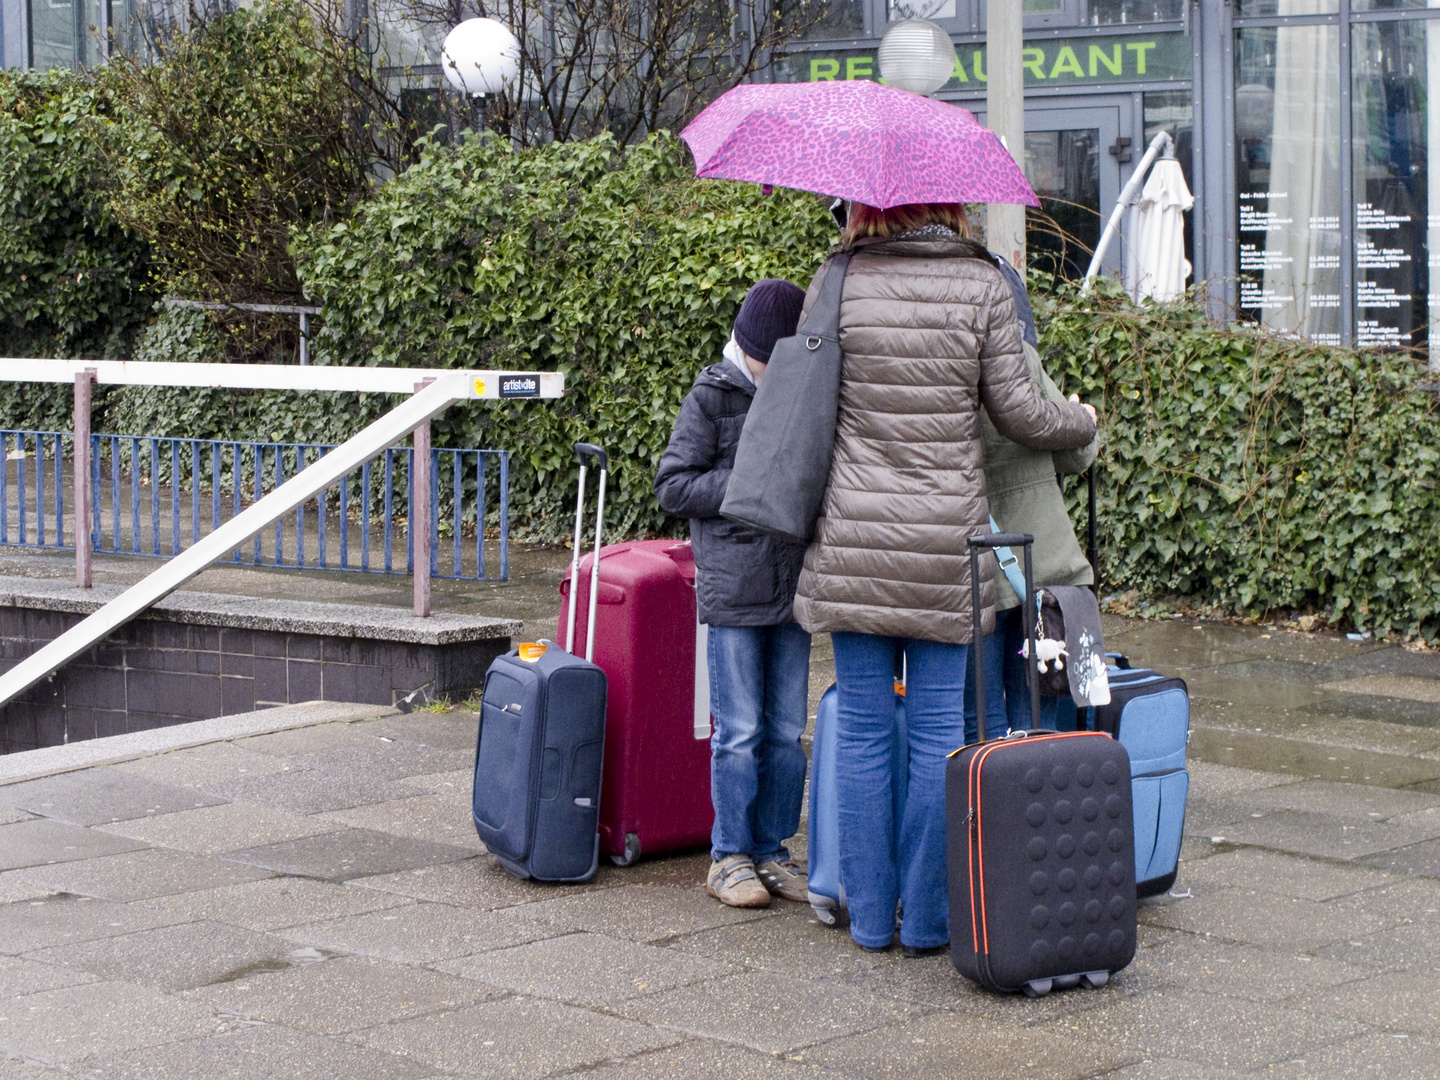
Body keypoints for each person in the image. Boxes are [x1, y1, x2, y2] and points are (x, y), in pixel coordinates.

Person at [790, 202, 1098, 956]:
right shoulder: (981, 284)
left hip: (856, 540)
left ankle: (868, 921)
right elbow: (1022, 415)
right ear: (949, 205)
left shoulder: (836, 278)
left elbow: (807, 405)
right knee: (938, 734)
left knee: (862, 730)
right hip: (942, 545)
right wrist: (1081, 421)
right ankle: (927, 921)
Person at [655, 279, 813, 909]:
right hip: (736, 587)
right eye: (773, 359)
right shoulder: (711, 395)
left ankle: (773, 850)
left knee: (785, 730)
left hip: (793, 583)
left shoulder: (796, 391)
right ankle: (729, 856)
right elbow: (674, 485)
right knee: (740, 730)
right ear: (748, 349)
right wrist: (749, 482)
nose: (782, 371)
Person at [965, 259, 1099, 740]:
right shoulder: (1021, 358)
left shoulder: (942, 366)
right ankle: (1032, 808)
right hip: (1037, 566)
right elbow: (1075, 456)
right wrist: (1084, 416)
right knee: (1035, 711)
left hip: (973, 567)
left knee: (978, 719)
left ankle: (986, 808)